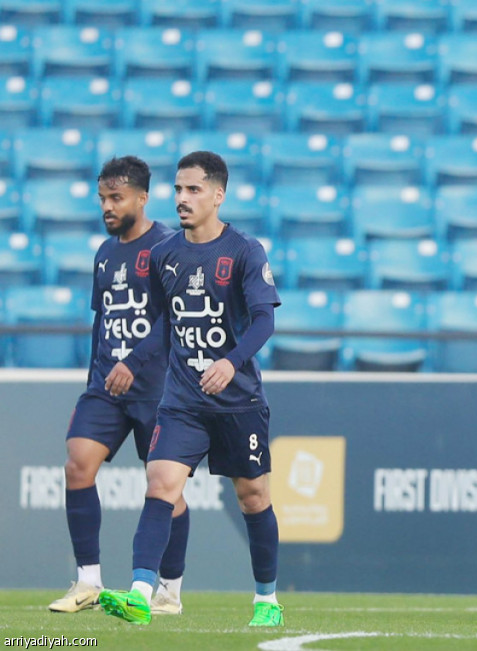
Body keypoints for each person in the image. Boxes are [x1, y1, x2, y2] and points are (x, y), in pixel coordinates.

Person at [98, 151, 283, 627]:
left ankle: (267, 600)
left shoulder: (245, 251)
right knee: (160, 485)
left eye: (194, 189)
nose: (182, 198)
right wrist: (133, 360)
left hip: (237, 400)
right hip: (182, 401)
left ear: (218, 195)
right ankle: (142, 594)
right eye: (178, 189)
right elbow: (167, 322)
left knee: (253, 497)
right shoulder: (164, 255)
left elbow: (264, 321)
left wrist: (231, 362)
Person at [48, 157, 189, 616]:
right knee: (77, 464)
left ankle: (169, 589)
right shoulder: (105, 253)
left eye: (117, 198)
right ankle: (88, 581)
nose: (107, 207)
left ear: (142, 198)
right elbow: (102, 320)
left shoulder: (167, 247)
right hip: (107, 384)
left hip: (158, 389)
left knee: (167, 489)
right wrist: (95, 376)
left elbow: (175, 318)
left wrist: (134, 360)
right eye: (103, 198)